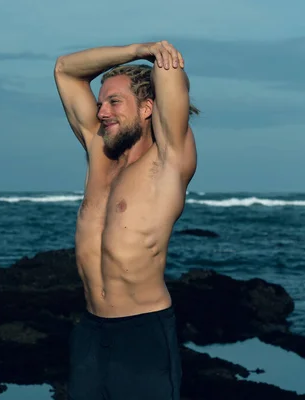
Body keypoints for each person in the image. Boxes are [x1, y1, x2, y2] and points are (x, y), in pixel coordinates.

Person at [54, 40, 199, 400]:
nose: (102, 111)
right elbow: (65, 70)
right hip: (90, 331)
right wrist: (136, 49)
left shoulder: (169, 161)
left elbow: (168, 74)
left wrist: (157, 54)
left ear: (148, 108)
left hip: (143, 334)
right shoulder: (99, 152)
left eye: (114, 102)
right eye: (101, 102)